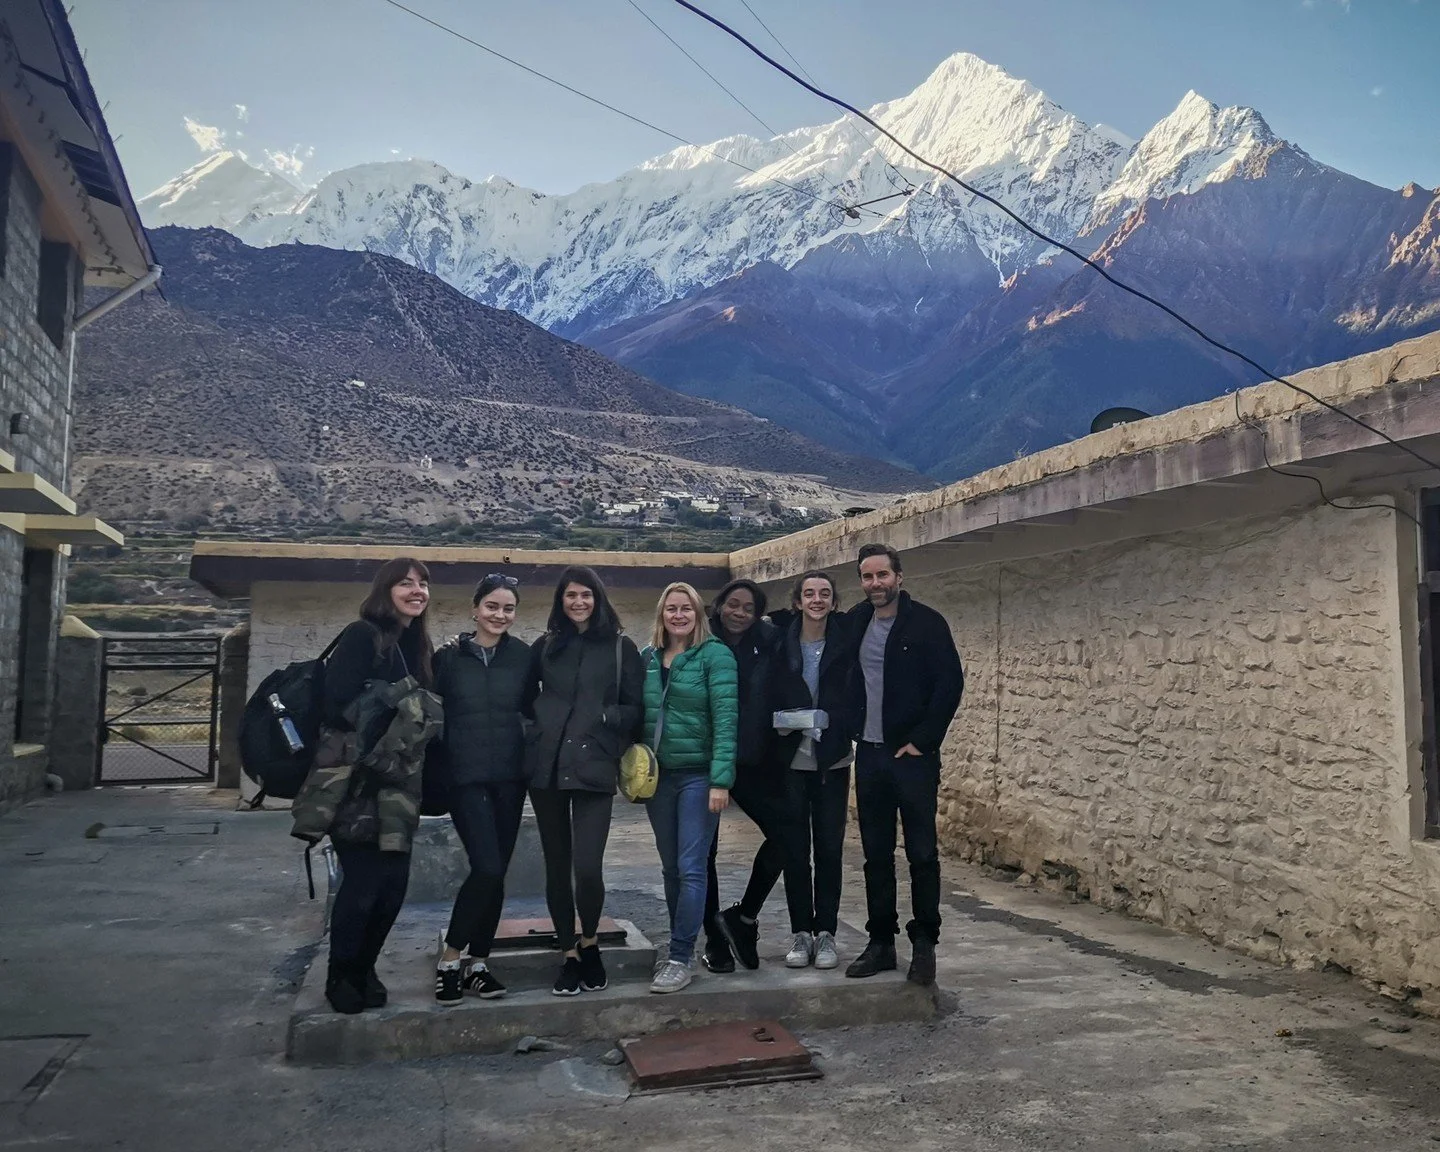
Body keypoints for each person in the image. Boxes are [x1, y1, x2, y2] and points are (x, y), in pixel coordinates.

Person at [292, 557, 439, 1015]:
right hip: (358, 783)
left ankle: (366, 967)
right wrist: (401, 706)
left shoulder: (414, 645)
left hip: (397, 784)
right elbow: (339, 705)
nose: (417, 591)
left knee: (393, 884)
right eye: (406, 583)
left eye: (422, 584)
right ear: (385, 590)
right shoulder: (363, 636)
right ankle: (341, 974)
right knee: (362, 883)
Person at [844, 543, 964, 986]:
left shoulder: (927, 623)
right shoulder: (856, 621)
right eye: (867, 576)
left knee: (921, 853)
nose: (875, 584)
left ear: (899, 577)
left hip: (911, 758)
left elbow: (949, 684)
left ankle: (925, 944)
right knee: (875, 855)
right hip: (870, 755)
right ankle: (880, 943)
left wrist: (922, 740)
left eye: (882, 575)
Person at [523, 566, 645, 997]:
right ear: (561, 601)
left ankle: (590, 940)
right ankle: (568, 953)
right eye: (570, 595)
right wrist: (535, 733)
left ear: (598, 599)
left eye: (586, 595)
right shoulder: (545, 648)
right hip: (547, 771)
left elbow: (637, 708)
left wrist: (607, 720)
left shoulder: (620, 648)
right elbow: (524, 702)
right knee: (557, 868)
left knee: (587, 867)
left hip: (595, 767)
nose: (578, 602)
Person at [431, 574, 531, 1006]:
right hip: (465, 777)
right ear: (475, 608)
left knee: (497, 872)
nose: (499, 615)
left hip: (510, 778)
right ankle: (450, 959)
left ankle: (479, 963)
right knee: (486, 866)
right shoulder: (447, 659)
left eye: (508, 608)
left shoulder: (525, 657)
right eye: (492, 606)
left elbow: (533, 709)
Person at [701, 579, 810, 973]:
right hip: (705, 761)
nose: (740, 613)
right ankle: (714, 941)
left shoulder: (769, 638)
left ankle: (742, 918)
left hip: (753, 759)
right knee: (704, 854)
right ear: (719, 605)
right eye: (733, 604)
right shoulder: (700, 638)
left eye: (749, 607)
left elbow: (787, 681)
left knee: (790, 835)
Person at [641, 582, 737, 993]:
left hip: (698, 776)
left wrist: (720, 780)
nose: (678, 615)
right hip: (658, 778)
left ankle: (680, 956)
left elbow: (726, 721)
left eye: (686, 608)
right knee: (669, 868)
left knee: (692, 867)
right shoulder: (647, 658)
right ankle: (677, 945)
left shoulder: (716, 656)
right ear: (661, 614)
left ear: (699, 614)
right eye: (671, 608)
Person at [770, 570, 858, 971]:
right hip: (790, 760)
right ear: (798, 601)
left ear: (834, 601)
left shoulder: (845, 642)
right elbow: (766, 691)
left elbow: (858, 697)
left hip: (832, 760)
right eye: (809, 593)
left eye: (824, 593)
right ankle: (800, 932)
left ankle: (826, 934)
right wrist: (781, 720)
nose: (817, 600)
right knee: (794, 851)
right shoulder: (781, 643)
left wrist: (835, 722)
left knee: (828, 849)